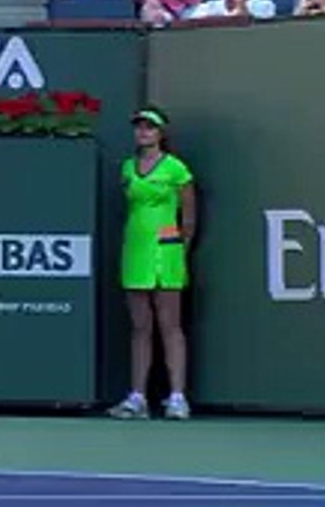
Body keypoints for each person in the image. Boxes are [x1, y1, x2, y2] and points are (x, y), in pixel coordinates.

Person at [108, 107, 197, 421]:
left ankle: (176, 397)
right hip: (135, 251)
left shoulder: (177, 170)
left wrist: (178, 251)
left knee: (170, 327)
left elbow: (189, 218)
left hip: (167, 254)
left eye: (150, 127)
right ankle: (137, 397)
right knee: (140, 328)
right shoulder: (128, 169)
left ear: (161, 134)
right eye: (139, 127)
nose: (143, 132)